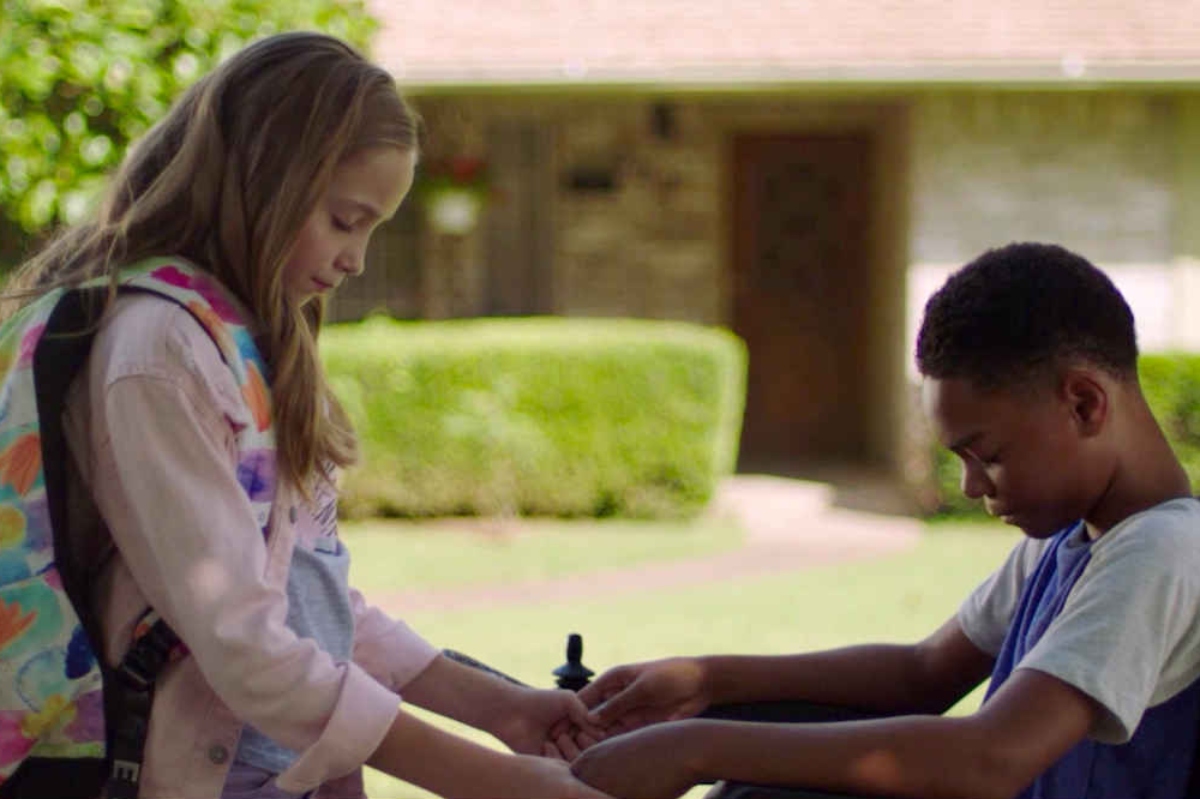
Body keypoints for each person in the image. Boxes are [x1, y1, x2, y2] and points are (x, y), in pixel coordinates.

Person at [0, 32, 608, 799]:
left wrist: (502, 707)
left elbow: (307, 592)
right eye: (345, 220)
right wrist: (495, 780)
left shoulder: (241, 341)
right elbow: (244, 642)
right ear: (263, 182)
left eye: (374, 229)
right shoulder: (158, 352)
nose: (355, 259)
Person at [567, 242, 1200, 799]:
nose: (972, 485)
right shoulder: (1074, 542)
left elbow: (991, 758)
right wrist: (705, 680)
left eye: (990, 456)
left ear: (1084, 403)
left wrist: (697, 748)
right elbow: (922, 674)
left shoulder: (1162, 550)